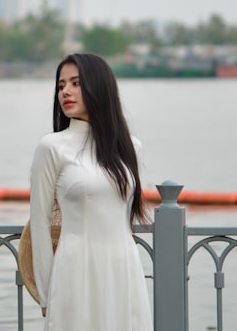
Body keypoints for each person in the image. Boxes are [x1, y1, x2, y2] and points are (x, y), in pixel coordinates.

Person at [29, 53, 153, 330]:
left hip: (124, 267)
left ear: (99, 87)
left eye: (76, 83)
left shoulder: (131, 147)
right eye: (61, 85)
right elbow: (40, 222)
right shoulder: (52, 147)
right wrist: (46, 294)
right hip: (76, 269)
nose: (66, 92)